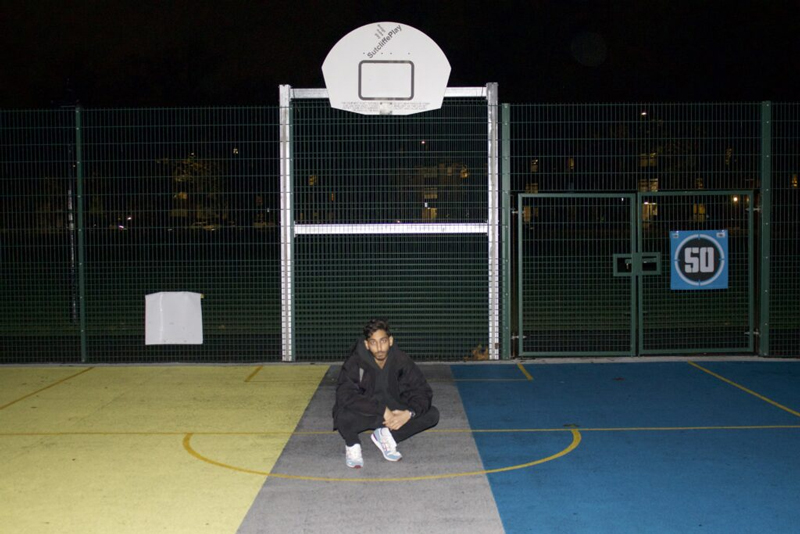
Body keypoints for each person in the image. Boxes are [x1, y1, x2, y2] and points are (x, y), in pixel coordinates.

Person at [332, 319, 440, 468]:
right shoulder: (356, 362)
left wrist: (408, 413)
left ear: (390, 341)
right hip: (368, 412)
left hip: (393, 414)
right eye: (373, 343)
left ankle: (387, 437)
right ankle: (353, 445)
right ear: (367, 344)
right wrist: (382, 410)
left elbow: (422, 390)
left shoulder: (401, 360)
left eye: (382, 341)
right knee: (342, 415)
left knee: (432, 414)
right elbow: (345, 395)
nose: (379, 348)